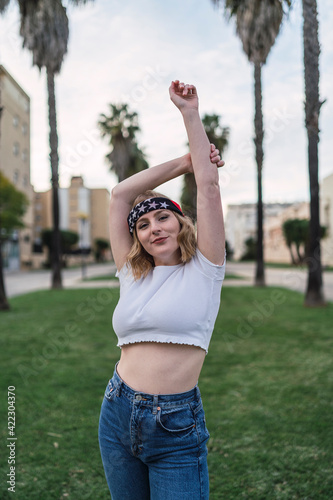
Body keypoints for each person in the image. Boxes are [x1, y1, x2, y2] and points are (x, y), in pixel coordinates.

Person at [98, 80, 226, 500]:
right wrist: (186, 160)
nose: (154, 228)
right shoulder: (132, 274)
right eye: (143, 224)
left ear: (181, 221)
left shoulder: (206, 268)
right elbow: (120, 195)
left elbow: (208, 189)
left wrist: (190, 114)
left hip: (175, 424)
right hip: (116, 412)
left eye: (162, 218)